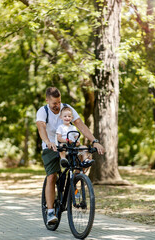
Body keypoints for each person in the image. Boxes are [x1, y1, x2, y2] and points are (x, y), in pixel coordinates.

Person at [36, 87, 105, 225]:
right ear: (47, 100)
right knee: (52, 176)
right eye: (54, 103)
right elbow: (41, 128)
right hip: (51, 146)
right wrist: (48, 142)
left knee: (81, 160)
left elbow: (81, 125)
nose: (57, 106)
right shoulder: (42, 111)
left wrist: (95, 141)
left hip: (68, 146)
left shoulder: (67, 109)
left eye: (59, 102)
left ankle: (75, 186)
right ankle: (50, 212)